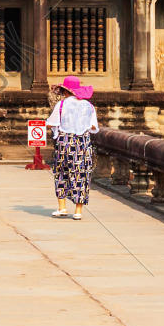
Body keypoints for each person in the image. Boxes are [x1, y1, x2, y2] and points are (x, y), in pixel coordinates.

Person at [46, 76, 99, 220]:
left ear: (65, 91)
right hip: (82, 143)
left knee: (62, 173)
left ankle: (62, 208)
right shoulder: (89, 106)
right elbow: (94, 127)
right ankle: (78, 211)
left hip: (65, 143)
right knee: (81, 175)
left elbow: (52, 123)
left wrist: (49, 124)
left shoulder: (62, 105)